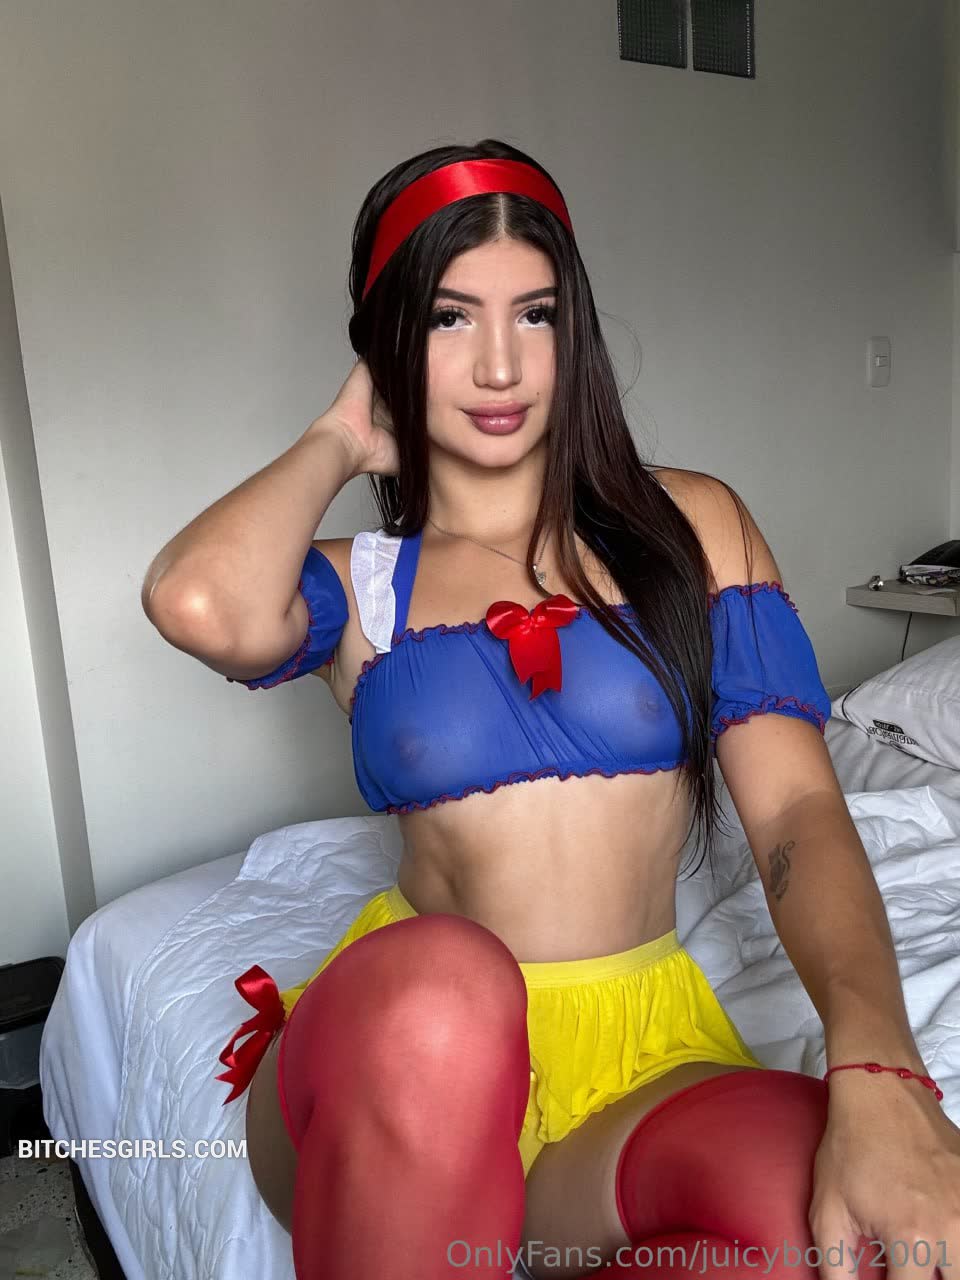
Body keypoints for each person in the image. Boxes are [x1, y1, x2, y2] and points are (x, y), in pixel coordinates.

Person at [142, 140, 960, 1280]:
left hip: (634, 1059)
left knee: (820, 1227)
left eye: (535, 314)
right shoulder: (363, 583)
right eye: (447, 318)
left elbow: (795, 814)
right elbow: (193, 600)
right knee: (449, 984)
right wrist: (339, 438)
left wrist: (877, 1065)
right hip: (406, 1050)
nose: (498, 365)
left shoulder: (693, 529)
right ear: (388, 342)